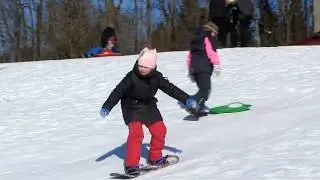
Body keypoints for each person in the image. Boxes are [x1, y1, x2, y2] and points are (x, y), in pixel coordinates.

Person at [99, 47, 198, 175]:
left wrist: (186, 99)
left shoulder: (157, 78)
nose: (142, 69)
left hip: (148, 106)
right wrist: (107, 106)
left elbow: (171, 89)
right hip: (131, 107)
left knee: (160, 130)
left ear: (152, 67)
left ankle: (155, 158)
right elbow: (118, 91)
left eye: (146, 67)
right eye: (140, 65)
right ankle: (131, 165)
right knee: (136, 134)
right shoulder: (131, 77)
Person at [186, 22, 221, 115]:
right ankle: (192, 103)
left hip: (195, 69)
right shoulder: (208, 37)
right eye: (215, 33)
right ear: (211, 31)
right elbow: (211, 52)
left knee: (202, 90)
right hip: (204, 68)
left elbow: (189, 57)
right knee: (205, 90)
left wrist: (190, 71)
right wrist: (216, 64)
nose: (215, 36)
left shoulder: (196, 39)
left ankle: (199, 108)